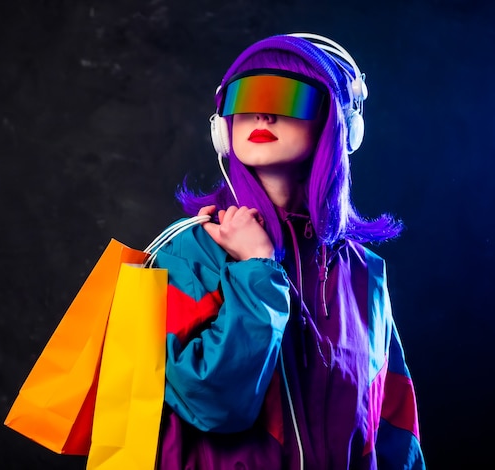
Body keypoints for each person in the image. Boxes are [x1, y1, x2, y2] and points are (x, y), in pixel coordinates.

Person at [152, 33, 425, 469]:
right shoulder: (190, 252)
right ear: (223, 126)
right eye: (246, 96)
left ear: (336, 123)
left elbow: (393, 426)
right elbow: (213, 404)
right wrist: (258, 270)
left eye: (288, 96)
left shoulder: (364, 272)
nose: (262, 112)